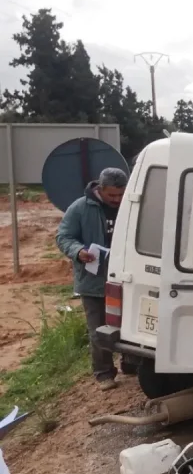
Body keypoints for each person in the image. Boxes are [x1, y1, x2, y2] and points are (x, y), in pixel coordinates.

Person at [56, 167, 129, 391]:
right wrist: (78, 251)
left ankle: (132, 364)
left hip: (127, 277)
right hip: (93, 281)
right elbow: (63, 236)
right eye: (112, 195)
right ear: (100, 189)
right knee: (98, 329)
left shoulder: (132, 203)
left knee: (129, 324)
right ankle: (104, 373)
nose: (117, 200)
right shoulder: (80, 208)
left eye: (120, 194)